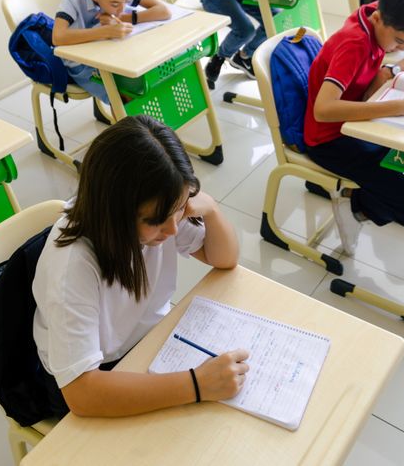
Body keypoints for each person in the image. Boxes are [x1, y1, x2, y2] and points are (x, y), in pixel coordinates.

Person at [28, 115, 246, 418]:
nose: (172, 230)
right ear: (114, 212)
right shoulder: (73, 266)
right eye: (157, 221)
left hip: (147, 339)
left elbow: (223, 259)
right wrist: (197, 385)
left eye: (180, 208)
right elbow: (80, 393)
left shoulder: (159, 209)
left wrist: (210, 210)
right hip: (96, 370)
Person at [304, 0, 404, 251]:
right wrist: (401, 107)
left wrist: (391, 70)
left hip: (362, 123)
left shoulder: (382, 13)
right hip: (331, 139)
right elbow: (323, 110)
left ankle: (364, 192)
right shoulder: (354, 44)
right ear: (379, 17)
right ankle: (354, 204)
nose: (402, 48)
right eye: (400, 41)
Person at [53, 0, 171, 104]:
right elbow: (58, 37)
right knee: (128, 97)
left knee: (147, 78)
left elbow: (164, 11)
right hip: (82, 64)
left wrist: (124, 18)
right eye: (115, 5)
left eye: (126, 1)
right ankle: (126, 124)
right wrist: (105, 31)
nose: (121, 8)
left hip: (111, 52)